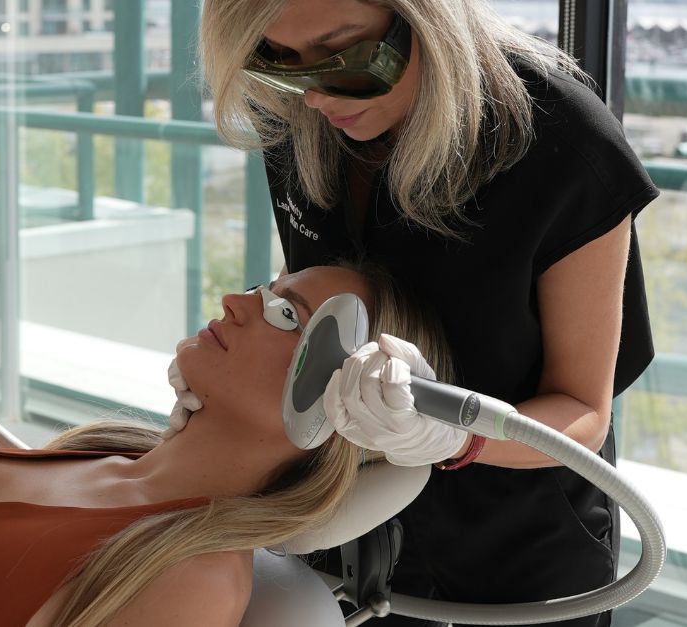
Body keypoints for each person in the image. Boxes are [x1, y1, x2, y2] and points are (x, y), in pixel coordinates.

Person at [190, 1, 660, 626]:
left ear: (426, 19)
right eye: (277, 62)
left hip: (519, 542)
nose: (317, 98)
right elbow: (326, 299)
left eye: (348, 55)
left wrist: (454, 435)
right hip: (350, 512)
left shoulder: (561, 145)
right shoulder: (298, 118)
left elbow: (581, 414)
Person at [0, 264, 453, 627]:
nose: (237, 301)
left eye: (287, 314)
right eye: (265, 286)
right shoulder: (109, 453)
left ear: (335, 406)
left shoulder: (189, 576)